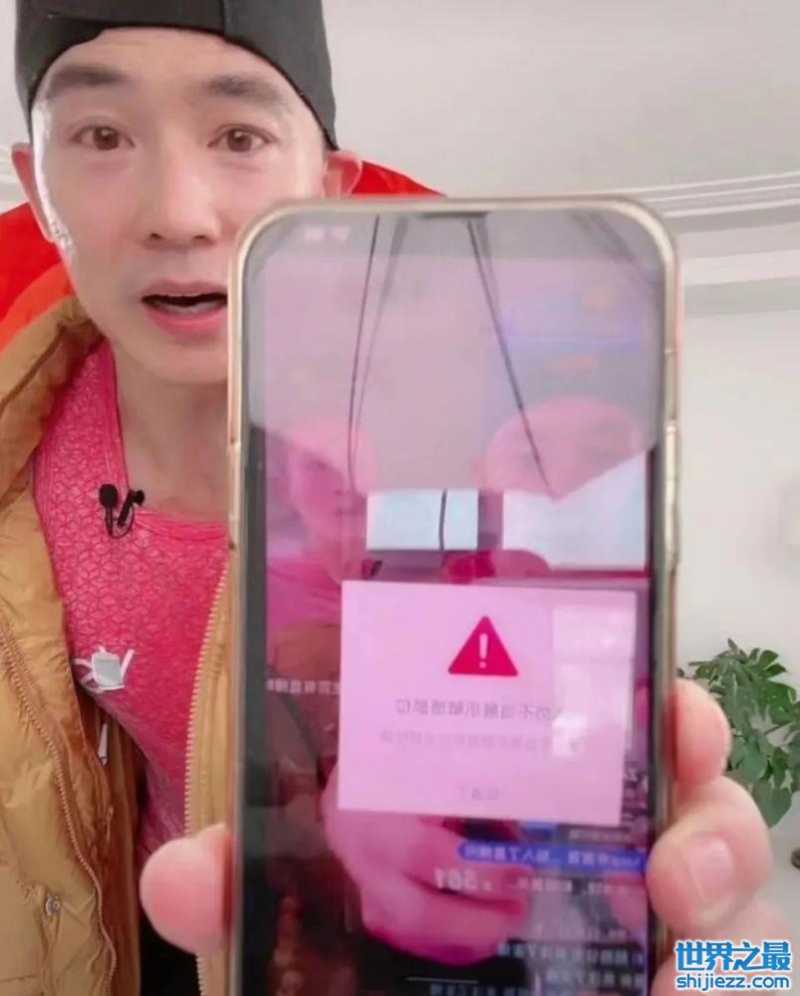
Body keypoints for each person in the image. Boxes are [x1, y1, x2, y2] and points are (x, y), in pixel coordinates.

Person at [0, 3, 786, 996]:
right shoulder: (18, 434)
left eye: (239, 136)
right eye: (101, 136)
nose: (178, 211)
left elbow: (549, 778)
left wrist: (732, 961)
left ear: (327, 189)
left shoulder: (471, 467)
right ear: (37, 184)